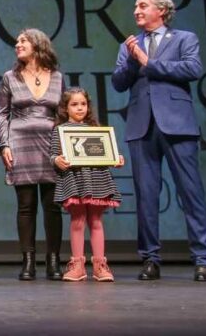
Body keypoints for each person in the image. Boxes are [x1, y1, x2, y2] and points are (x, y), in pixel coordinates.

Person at [112, 0, 206, 282]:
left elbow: (192, 68)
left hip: (177, 124)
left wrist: (148, 62)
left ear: (161, 10)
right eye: (135, 5)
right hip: (141, 125)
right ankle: (150, 258)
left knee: (191, 192)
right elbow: (119, 82)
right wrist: (134, 60)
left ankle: (202, 258)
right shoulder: (129, 45)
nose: (136, 11)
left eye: (142, 5)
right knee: (146, 196)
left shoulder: (184, 38)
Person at [0, 28, 65, 281]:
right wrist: (4, 144)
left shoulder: (57, 77)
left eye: (23, 41)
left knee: (53, 206)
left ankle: (54, 261)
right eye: (16, 42)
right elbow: (2, 114)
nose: (17, 44)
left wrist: (64, 147)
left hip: (51, 145)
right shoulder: (10, 77)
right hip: (20, 143)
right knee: (26, 207)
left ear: (38, 44)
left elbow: (62, 114)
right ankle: (28, 262)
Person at [50, 87, 124, 282]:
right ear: (66, 108)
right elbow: (53, 154)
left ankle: (100, 265)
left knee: (96, 221)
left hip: (96, 179)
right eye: (74, 104)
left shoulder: (96, 129)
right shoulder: (60, 130)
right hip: (75, 179)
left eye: (83, 104)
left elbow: (106, 154)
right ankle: (77, 265)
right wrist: (56, 160)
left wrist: (116, 158)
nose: (80, 108)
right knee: (78, 221)